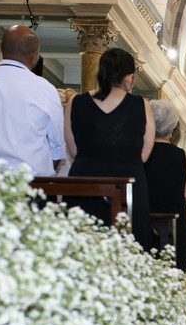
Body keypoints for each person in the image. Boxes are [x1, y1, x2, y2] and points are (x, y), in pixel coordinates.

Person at [65, 48, 156, 251]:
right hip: (128, 186)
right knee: (129, 250)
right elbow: (145, 152)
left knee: (84, 249)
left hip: (85, 185)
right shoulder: (141, 105)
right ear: (129, 77)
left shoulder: (76, 102)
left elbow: (72, 149)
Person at [0, 25, 66, 176]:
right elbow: (57, 146)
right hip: (32, 182)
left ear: (0, 47)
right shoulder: (45, 89)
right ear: (34, 56)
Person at [143, 100, 186, 269]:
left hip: (143, 221)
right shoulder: (181, 155)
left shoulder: (141, 152)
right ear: (172, 128)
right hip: (174, 226)